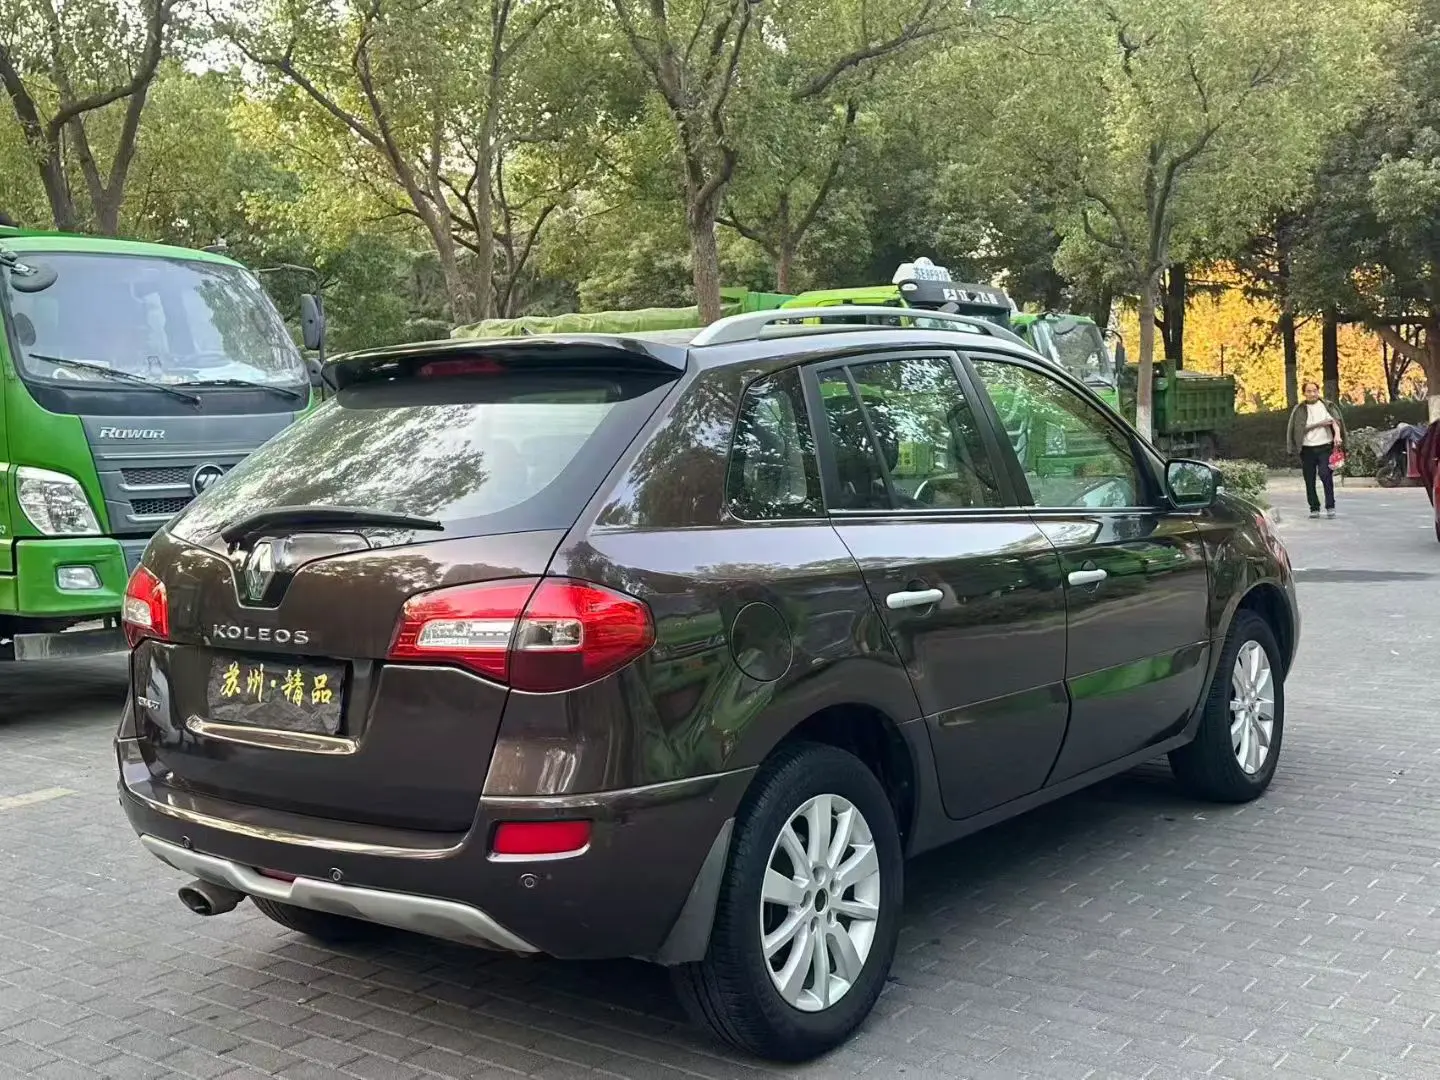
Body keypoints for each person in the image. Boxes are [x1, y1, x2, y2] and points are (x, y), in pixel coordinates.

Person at [1286, 381, 1346, 518]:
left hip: (1325, 447)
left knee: (1325, 475)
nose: (1312, 394)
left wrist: (1337, 435)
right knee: (1309, 479)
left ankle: (1330, 506)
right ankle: (1314, 508)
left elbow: (1335, 422)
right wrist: (1319, 424)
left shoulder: (1327, 406)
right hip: (1307, 448)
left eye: (1315, 391)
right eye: (1309, 391)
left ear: (1318, 391)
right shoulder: (1299, 409)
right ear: (1304, 393)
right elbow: (1299, 430)